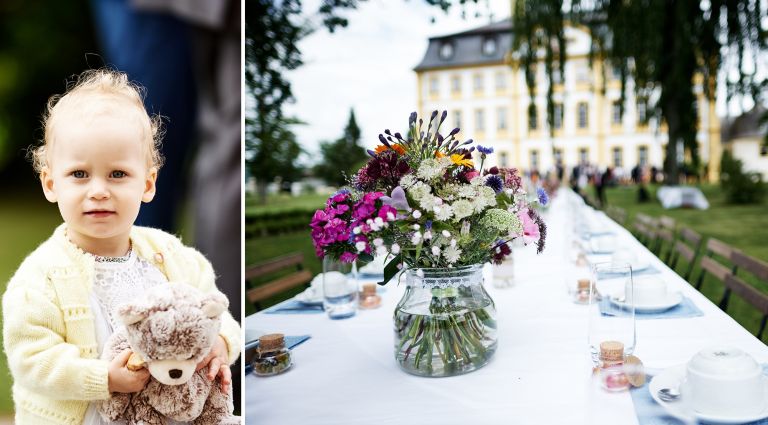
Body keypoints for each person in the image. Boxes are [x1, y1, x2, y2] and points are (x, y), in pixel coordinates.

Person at [1, 69, 241, 425]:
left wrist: (221, 341)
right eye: (80, 174)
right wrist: (104, 377)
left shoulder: (174, 258)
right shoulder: (40, 277)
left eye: (117, 174)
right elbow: (31, 360)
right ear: (51, 183)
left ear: (147, 183)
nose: (98, 190)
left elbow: (217, 312)